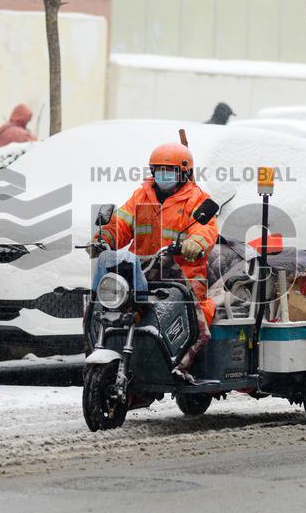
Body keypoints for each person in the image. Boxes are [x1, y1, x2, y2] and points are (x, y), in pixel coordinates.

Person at [87, 142, 218, 383]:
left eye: (170, 171)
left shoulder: (197, 199)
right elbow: (121, 223)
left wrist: (195, 243)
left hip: (183, 277)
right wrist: (103, 238)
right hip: (143, 271)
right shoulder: (141, 196)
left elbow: (206, 229)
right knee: (103, 305)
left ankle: (184, 363)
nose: (163, 175)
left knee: (197, 317)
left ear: (184, 173)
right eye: (158, 170)